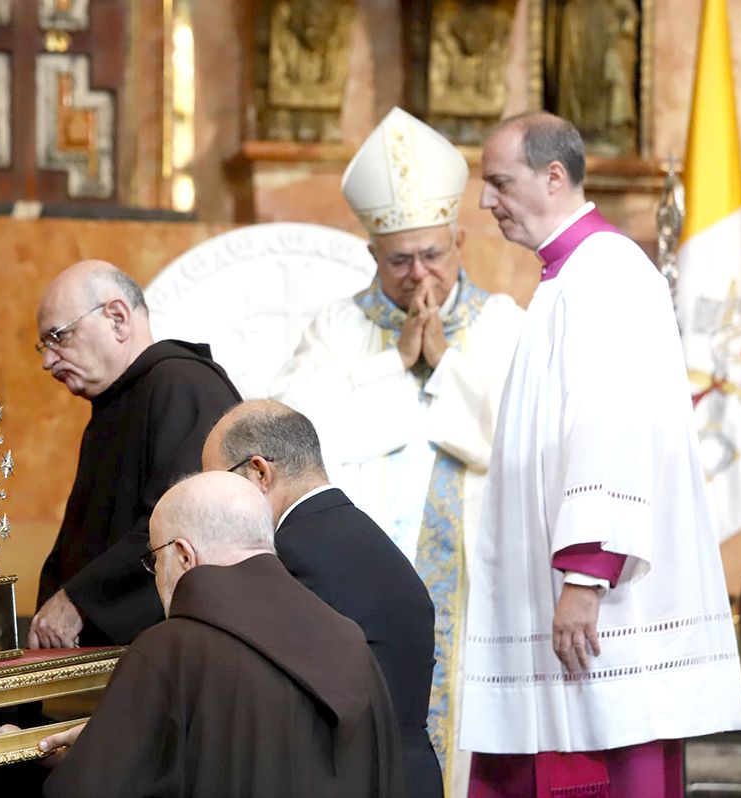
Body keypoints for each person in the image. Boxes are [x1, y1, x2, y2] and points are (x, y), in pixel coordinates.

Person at [461, 111, 741, 797]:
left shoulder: (606, 275)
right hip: (575, 598)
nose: (485, 202)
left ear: (553, 176)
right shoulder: (572, 276)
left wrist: (586, 577)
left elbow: (611, 427)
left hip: (598, 608)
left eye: (501, 183)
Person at [270, 106, 525, 791]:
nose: (418, 275)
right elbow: (297, 447)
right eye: (400, 259)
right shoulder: (336, 330)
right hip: (358, 598)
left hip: (479, 590)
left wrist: (445, 365)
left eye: (433, 255)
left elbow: (521, 444)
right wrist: (396, 366)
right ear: (372, 255)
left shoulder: (502, 326)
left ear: (460, 240)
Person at [40, 471, 406, 798]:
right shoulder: (349, 640)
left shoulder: (170, 649)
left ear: (183, 554)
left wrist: (85, 756)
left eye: (154, 559)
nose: (155, 574)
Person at [202, 399, 442, 798]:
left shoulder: (288, 555)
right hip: (410, 774)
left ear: (260, 471)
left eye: (218, 484)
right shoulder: (361, 533)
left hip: (352, 779)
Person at [30, 259, 241, 648]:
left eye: (58, 336)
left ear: (117, 318)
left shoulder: (183, 385)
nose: (47, 360)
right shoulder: (112, 408)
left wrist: (80, 602)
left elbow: (184, 527)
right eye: (44, 345)